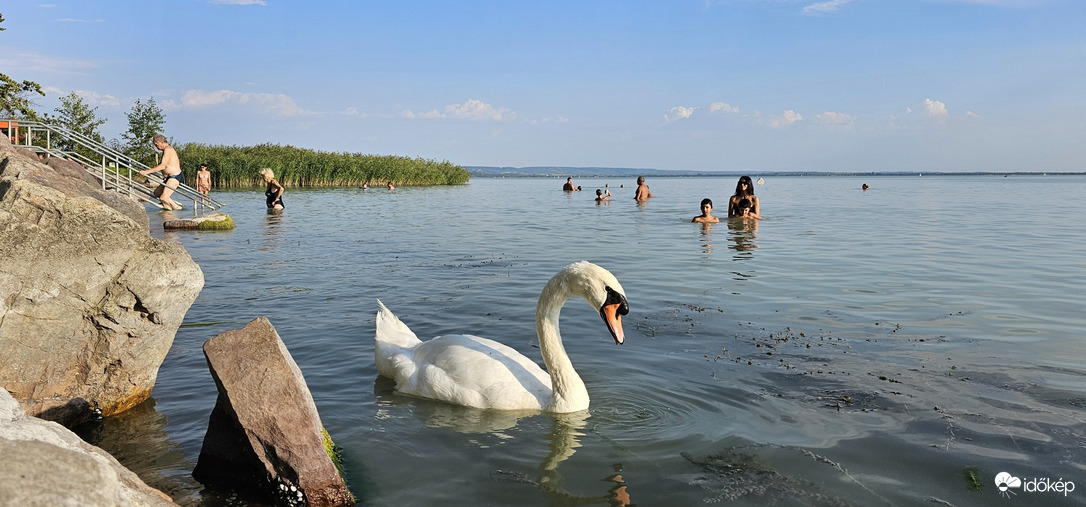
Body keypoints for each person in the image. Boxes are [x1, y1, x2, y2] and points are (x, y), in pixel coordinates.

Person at [139, 134, 184, 210]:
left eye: (156, 145)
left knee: (163, 198)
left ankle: (168, 215)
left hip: (175, 176)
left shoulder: (168, 149)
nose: (156, 147)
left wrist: (147, 172)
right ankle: (176, 207)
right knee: (157, 193)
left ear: (162, 142)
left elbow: (163, 166)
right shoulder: (165, 150)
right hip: (169, 177)